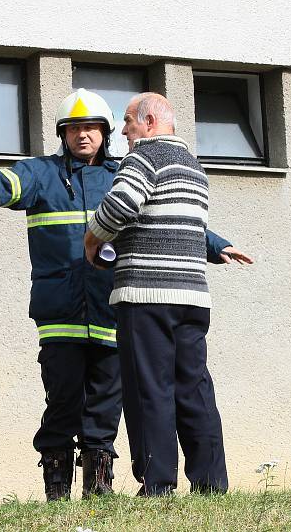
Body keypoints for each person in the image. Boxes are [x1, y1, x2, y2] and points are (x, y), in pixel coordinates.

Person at [0, 89, 250, 501]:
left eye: (92, 128)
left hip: (108, 311)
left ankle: (99, 491)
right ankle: (58, 493)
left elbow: (164, 219)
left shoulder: (125, 171)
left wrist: (216, 245)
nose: (83, 136)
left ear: (105, 133)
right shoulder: (42, 174)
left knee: (105, 407)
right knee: (63, 403)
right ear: (63, 135)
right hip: (61, 312)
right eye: (74, 129)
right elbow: (7, 183)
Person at [85, 92, 241, 496]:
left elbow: (120, 205)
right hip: (192, 297)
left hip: (146, 295)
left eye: (128, 121)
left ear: (150, 122)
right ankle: (211, 483)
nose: (123, 130)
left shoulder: (143, 158)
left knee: (149, 389)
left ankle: (157, 484)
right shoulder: (194, 169)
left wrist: (93, 238)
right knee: (194, 389)